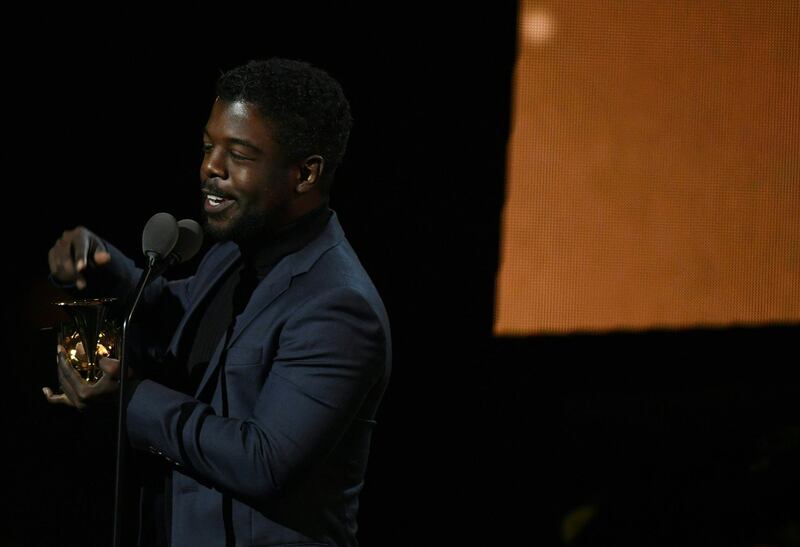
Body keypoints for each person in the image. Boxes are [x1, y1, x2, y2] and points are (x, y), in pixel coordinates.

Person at [43, 58, 391, 547]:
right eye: (209, 147)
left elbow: (264, 461)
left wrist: (132, 397)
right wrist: (99, 266)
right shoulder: (232, 254)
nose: (210, 168)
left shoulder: (339, 306)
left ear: (305, 174)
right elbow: (178, 320)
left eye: (240, 155)